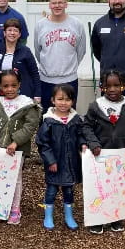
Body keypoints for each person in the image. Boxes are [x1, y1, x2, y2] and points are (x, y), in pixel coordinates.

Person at [82, 70, 125, 234]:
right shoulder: (95, 106)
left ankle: (117, 217)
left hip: (122, 155)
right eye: (108, 86)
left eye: (117, 85)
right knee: (100, 187)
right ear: (102, 87)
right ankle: (98, 219)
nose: (112, 89)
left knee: (119, 187)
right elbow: (86, 127)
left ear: (124, 86)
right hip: (101, 156)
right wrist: (93, 143)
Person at [0, 70, 41, 225]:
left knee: (16, 179)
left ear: (19, 84)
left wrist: (16, 142)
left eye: (13, 85)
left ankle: (15, 208)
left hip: (17, 150)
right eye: (6, 86)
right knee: (0, 177)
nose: (10, 89)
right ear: (0, 86)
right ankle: (1, 207)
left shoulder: (26, 104)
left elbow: (30, 126)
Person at [36, 84, 86, 231]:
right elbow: (42, 143)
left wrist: (83, 144)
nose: (63, 103)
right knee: (51, 190)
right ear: (53, 100)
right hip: (55, 163)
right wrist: (50, 160)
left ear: (73, 101)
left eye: (68, 99)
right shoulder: (48, 121)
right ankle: (48, 215)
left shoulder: (75, 119)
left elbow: (81, 135)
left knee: (69, 190)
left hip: (70, 162)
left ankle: (69, 216)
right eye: (60, 99)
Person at [34, 0, 86, 112]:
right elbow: (38, 51)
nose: (57, 6)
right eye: (54, 3)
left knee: (69, 116)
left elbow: (81, 51)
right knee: (47, 116)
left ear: (66, 4)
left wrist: (68, 67)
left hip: (69, 80)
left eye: (60, 2)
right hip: (46, 81)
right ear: (49, 5)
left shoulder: (76, 24)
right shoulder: (40, 25)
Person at [0, 18, 41, 103]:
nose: (12, 33)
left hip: (22, 94)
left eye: (15, 30)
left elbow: (34, 73)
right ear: (4, 33)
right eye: (9, 30)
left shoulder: (25, 51)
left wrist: (37, 94)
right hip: (0, 94)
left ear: (19, 34)